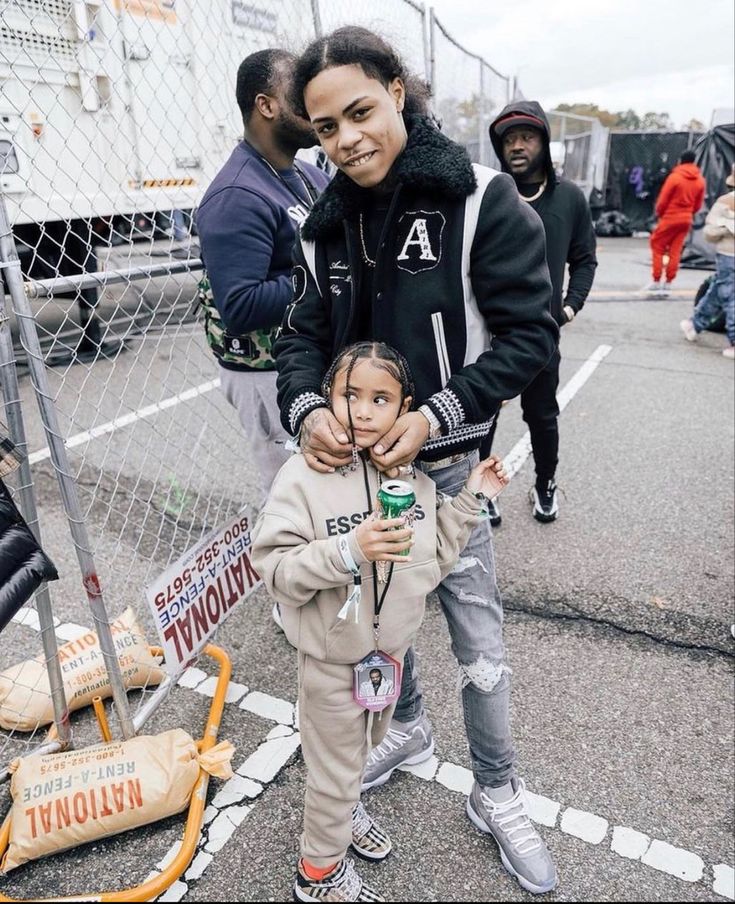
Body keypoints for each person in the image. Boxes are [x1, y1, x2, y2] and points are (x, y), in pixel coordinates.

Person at [274, 26, 559, 896]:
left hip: (444, 470)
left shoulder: (478, 198)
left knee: (478, 640)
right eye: (324, 128)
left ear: (398, 90)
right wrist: (307, 406)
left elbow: (528, 336)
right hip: (353, 478)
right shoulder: (322, 225)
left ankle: (498, 789)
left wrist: (439, 413)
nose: (346, 139)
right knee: (368, 618)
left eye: (359, 111)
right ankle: (407, 726)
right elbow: (299, 339)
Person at [252, 341, 508, 902]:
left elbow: (435, 557)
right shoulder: (304, 477)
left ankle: (346, 813)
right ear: (327, 399)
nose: (364, 411)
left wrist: (471, 499)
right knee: (336, 772)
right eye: (350, 395)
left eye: (380, 399)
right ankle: (317, 874)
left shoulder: (411, 481)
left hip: (384, 661)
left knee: (360, 754)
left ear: (406, 408)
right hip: (330, 662)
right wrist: (349, 550)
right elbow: (274, 569)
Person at [195, 49, 330, 502]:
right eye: (301, 94)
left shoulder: (309, 174)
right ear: (266, 105)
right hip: (266, 373)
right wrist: (328, 275)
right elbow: (242, 305)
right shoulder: (236, 194)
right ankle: (292, 573)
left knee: (331, 491)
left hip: (309, 360)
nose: (315, 103)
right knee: (295, 500)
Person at [482, 101, 598, 525]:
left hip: (541, 332)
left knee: (542, 416)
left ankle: (544, 484)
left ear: (544, 143)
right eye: (509, 139)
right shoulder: (490, 192)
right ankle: (481, 491)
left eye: (526, 137)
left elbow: (585, 259)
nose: (516, 146)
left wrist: (570, 306)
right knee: (483, 413)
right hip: (489, 332)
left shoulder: (568, 198)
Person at [680, 164, 735, 358]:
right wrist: (727, 227)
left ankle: (694, 324)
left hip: (728, 256)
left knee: (721, 291)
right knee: (727, 294)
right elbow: (710, 230)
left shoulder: (725, 201)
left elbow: (709, 230)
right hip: (728, 256)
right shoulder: (726, 202)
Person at [644, 149, 705, 297]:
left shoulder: (675, 177)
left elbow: (663, 200)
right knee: (675, 250)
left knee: (657, 244)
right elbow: (698, 205)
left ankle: (656, 280)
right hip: (686, 219)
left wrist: (659, 213)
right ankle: (668, 283)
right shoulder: (700, 180)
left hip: (670, 217)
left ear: (680, 160)